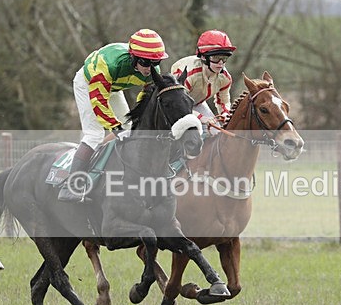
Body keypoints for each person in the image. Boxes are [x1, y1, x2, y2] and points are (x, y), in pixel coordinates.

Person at [58, 28, 169, 202]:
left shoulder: (152, 68)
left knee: (130, 128)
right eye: (146, 62)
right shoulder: (110, 64)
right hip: (89, 83)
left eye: (155, 62)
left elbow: (145, 98)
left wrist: (136, 120)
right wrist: (115, 128)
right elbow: (99, 100)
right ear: (134, 57)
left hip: (114, 87)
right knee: (94, 134)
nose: (150, 68)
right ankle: (71, 186)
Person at [170, 30, 236, 131]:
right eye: (216, 58)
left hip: (196, 104)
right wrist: (201, 118)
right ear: (204, 57)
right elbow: (178, 105)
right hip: (173, 105)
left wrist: (225, 114)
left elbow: (223, 101)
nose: (221, 63)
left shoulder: (225, 78)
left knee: (215, 131)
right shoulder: (189, 75)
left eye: (224, 58)